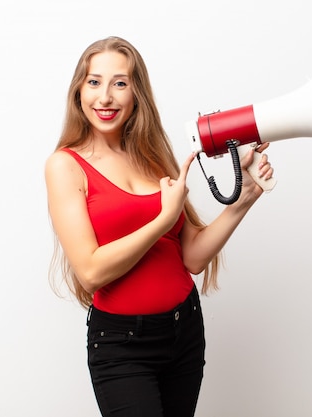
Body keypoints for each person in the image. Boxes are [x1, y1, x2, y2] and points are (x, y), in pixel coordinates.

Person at [44, 36, 274, 417]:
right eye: (93, 82)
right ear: (78, 92)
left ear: (137, 94)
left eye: (120, 83)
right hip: (122, 344)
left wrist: (244, 198)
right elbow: (90, 271)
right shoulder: (65, 166)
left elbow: (193, 257)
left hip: (184, 331)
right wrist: (162, 219)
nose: (105, 97)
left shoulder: (153, 157)